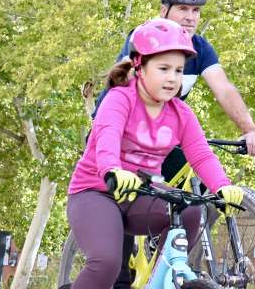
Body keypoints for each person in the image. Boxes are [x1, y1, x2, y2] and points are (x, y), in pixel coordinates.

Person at [96, 0, 255, 289]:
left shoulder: (199, 49)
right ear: (164, 10)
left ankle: (168, 270)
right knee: (121, 198)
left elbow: (224, 88)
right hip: (121, 135)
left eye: (196, 10)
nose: (190, 17)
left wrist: (249, 129)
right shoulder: (144, 38)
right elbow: (119, 86)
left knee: (196, 201)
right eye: (183, 9)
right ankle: (120, 275)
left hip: (162, 134)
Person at [67, 19, 245, 289]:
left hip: (142, 194)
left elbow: (201, 155)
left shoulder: (181, 113)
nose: (172, 78)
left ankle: (159, 279)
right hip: (97, 191)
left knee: (189, 211)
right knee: (106, 263)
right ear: (139, 65)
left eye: (178, 70)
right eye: (163, 69)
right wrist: (113, 170)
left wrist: (222, 185)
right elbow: (107, 139)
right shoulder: (120, 99)